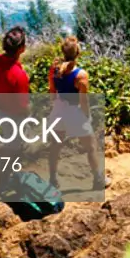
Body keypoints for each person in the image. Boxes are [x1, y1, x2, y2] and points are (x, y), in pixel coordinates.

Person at [46, 36, 104, 192]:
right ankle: (98, 180)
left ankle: (52, 179)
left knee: (55, 147)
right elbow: (83, 101)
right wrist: (87, 117)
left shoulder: (54, 70)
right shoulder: (81, 75)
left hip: (58, 110)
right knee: (91, 147)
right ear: (78, 53)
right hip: (74, 112)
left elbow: (52, 94)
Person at [0, 26, 30, 194]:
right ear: (22, 49)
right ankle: (4, 184)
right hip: (13, 115)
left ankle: (3, 166)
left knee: (6, 138)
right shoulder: (19, 76)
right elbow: (22, 105)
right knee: (13, 147)